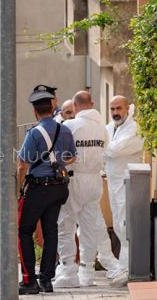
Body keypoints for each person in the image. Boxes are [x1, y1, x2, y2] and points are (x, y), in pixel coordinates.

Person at [53, 91, 124, 288]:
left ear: (75, 107)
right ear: (91, 104)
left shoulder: (70, 126)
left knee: (66, 226)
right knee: (90, 227)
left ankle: (68, 271)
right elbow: (105, 149)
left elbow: (61, 154)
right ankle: (87, 271)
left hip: (75, 180)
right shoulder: (102, 129)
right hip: (94, 181)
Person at [17, 87, 76, 294]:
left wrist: (19, 190)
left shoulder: (34, 133)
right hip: (59, 188)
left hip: (39, 188)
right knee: (51, 232)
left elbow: (23, 164)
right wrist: (58, 162)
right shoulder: (65, 130)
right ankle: (47, 279)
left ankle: (29, 280)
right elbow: (72, 157)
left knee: (24, 231)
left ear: (35, 111)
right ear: (53, 108)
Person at [104, 95, 144, 287]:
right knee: (119, 225)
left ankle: (130, 268)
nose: (115, 113)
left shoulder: (134, 129)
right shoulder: (110, 127)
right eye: (112, 109)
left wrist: (103, 146)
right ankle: (123, 266)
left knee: (126, 224)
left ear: (127, 108)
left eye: (118, 108)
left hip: (128, 183)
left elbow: (113, 150)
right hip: (113, 182)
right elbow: (105, 147)